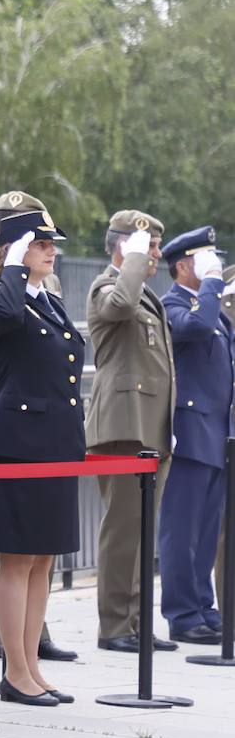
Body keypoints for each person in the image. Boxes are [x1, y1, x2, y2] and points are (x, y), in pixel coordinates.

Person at [0, 208, 82, 706]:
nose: (51, 249)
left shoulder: (49, 300)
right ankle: (14, 671)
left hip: (54, 443)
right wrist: (14, 269)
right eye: (40, 243)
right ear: (14, 249)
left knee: (42, 559)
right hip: (18, 443)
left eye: (50, 244)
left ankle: (33, 666)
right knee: (16, 561)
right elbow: (3, 323)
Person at [87, 210, 179, 653]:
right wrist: (134, 262)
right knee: (123, 529)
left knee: (144, 530)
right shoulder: (109, 286)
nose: (156, 255)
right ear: (126, 246)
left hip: (151, 428)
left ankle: (138, 622)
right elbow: (120, 306)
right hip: (122, 428)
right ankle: (115, 625)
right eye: (150, 247)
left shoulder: (144, 293)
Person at [157, 226, 233, 645]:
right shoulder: (171, 306)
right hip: (189, 431)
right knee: (181, 530)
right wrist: (212, 284)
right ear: (184, 265)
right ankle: (183, 613)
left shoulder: (211, 309)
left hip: (217, 431)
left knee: (206, 531)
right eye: (205, 261)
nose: (214, 267)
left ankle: (204, 606)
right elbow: (198, 328)